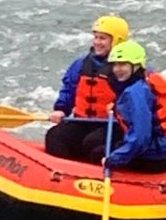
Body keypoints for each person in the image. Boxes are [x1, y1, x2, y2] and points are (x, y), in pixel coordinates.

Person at [89, 40, 166, 171]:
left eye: (123, 65)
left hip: (159, 155)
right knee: (112, 145)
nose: (117, 69)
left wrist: (113, 160)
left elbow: (141, 138)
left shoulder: (134, 93)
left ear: (137, 66)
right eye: (115, 65)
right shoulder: (145, 84)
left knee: (98, 153)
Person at [45, 14, 130, 159]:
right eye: (96, 37)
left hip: (113, 125)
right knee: (54, 137)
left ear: (117, 41)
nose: (97, 42)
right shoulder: (81, 64)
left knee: (93, 143)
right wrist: (61, 109)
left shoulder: (126, 67)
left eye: (102, 38)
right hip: (82, 121)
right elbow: (69, 88)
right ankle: (67, 174)